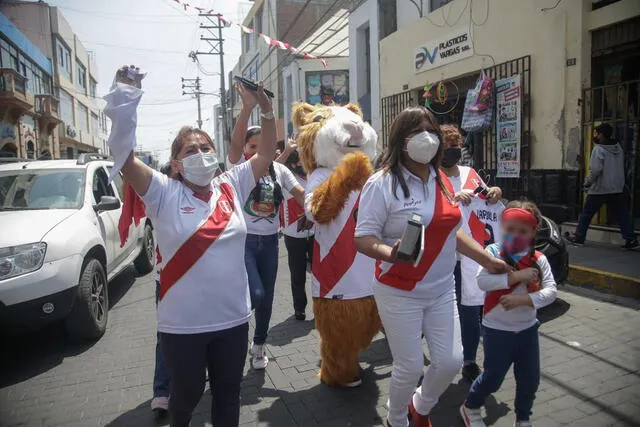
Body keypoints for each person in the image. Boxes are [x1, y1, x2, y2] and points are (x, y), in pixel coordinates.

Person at [106, 65, 276, 427]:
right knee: (187, 397)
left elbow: (265, 155)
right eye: (190, 149)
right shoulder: (163, 193)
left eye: (205, 147)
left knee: (229, 396)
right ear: (176, 163)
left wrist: (266, 109)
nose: (200, 153)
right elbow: (123, 155)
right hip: (182, 325)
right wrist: (125, 95)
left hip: (232, 319)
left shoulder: (231, 184)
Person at [354, 106, 509, 427]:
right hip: (399, 290)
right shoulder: (381, 183)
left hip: (440, 289)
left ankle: (419, 406)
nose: (425, 138)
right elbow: (362, 238)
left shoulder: (441, 179)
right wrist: (390, 252)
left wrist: (487, 259)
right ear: (400, 139)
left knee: (450, 361)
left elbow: (454, 230)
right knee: (410, 367)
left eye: (430, 131)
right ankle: (396, 418)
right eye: (415, 132)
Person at [227, 83, 306, 370]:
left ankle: (259, 345)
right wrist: (248, 108)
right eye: (252, 146)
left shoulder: (281, 170)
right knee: (256, 294)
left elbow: (302, 195)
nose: (257, 150)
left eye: (263, 146)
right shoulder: (238, 169)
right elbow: (235, 146)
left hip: (271, 242)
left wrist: (322, 206)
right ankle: (232, 333)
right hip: (244, 242)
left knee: (268, 298)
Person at [460, 200, 557, 427]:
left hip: (527, 330)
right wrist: (514, 278)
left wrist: (522, 300)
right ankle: (471, 406)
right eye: (510, 229)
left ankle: (523, 417)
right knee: (492, 379)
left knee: (530, 379)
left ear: (534, 231)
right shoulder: (493, 253)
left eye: (522, 231)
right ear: (502, 227)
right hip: (497, 330)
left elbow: (551, 291)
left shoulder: (538, 259)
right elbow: (482, 281)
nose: (516, 235)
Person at [439, 124, 503, 383]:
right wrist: (453, 197)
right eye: (446, 147)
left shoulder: (470, 173)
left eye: (455, 147)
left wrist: (494, 193)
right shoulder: (430, 176)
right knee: (443, 312)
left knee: (471, 310)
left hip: (471, 256)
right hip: (444, 257)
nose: (451, 151)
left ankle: (469, 360)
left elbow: (486, 199)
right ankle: (443, 357)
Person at [566, 123, 638, 249]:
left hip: (600, 189)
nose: (594, 135)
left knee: (586, 215)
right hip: (616, 188)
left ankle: (579, 238)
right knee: (622, 215)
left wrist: (587, 183)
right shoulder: (618, 148)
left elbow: (595, 170)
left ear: (601, 135)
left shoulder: (598, 149)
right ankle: (631, 240)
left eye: (596, 133)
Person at [279, 149, 314, 320]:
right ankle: (299, 308)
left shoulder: (314, 176)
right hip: (293, 234)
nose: (304, 164)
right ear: (293, 164)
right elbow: (272, 166)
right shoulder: (285, 177)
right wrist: (287, 150)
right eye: (301, 161)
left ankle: (321, 306)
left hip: (315, 232)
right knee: (297, 273)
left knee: (319, 272)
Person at [150, 162, 172, 416]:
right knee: (164, 336)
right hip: (165, 280)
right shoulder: (157, 201)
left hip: (202, 280)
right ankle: (162, 391)